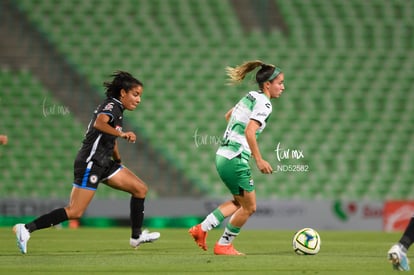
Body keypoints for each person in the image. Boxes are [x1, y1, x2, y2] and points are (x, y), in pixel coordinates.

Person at [13, 71, 160, 254]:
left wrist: (118, 160)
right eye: (135, 94)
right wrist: (122, 134)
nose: (138, 100)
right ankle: (26, 229)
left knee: (140, 189)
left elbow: (108, 137)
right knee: (75, 211)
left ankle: (136, 237)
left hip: (104, 162)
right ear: (123, 93)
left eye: (140, 96)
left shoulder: (118, 110)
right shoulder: (111, 105)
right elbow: (100, 124)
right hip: (91, 161)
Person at [189, 60, 285, 255]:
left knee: (237, 202)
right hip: (235, 158)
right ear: (268, 84)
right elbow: (250, 131)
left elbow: (228, 116)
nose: (283, 87)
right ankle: (224, 245)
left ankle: (202, 228)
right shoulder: (265, 104)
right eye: (280, 82)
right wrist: (259, 160)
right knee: (249, 207)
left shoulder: (250, 96)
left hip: (223, 155)